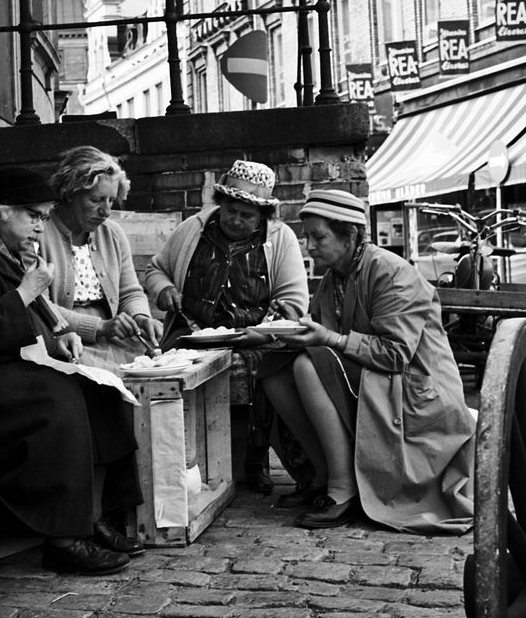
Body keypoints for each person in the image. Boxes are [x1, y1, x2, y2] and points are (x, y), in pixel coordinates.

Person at [259, 189, 475, 534]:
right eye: (307, 237)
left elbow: (396, 354)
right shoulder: (335, 278)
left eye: (319, 237)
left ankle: (342, 489)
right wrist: (288, 325)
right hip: (376, 381)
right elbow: (323, 335)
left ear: (351, 236)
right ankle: (324, 473)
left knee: (306, 364)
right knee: (274, 370)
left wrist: (329, 338)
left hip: (416, 389)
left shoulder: (391, 272)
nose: (310, 246)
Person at [0, 166, 144, 574]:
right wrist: (26, 291)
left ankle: (97, 515)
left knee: (102, 390)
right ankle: (63, 537)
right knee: (59, 399)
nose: (40, 226)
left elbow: (40, 313)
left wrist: (61, 336)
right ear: (1, 211)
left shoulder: (8, 249)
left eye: (42, 216)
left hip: (17, 360)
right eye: (33, 216)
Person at [144, 159, 311, 494]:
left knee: (262, 370)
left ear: (263, 216)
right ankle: (191, 463)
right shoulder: (193, 229)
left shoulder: (281, 239)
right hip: (191, 333)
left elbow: (294, 303)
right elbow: (156, 270)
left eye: (246, 215)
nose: (235, 220)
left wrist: (272, 322)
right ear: (220, 204)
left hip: (255, 336)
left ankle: (252, 462)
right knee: (176, 372)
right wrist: (164, 291)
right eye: (230, 210)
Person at [39, 146, 163, 370]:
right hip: (66, 339)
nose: (106, 211)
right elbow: (42, 306)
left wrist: (141, 317)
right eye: (97, 200)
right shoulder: (40, 232)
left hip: (113, 338)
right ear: (70, 192)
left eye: (111, 201)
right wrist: (100, 327)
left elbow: (130, 292)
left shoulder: (112, 233)